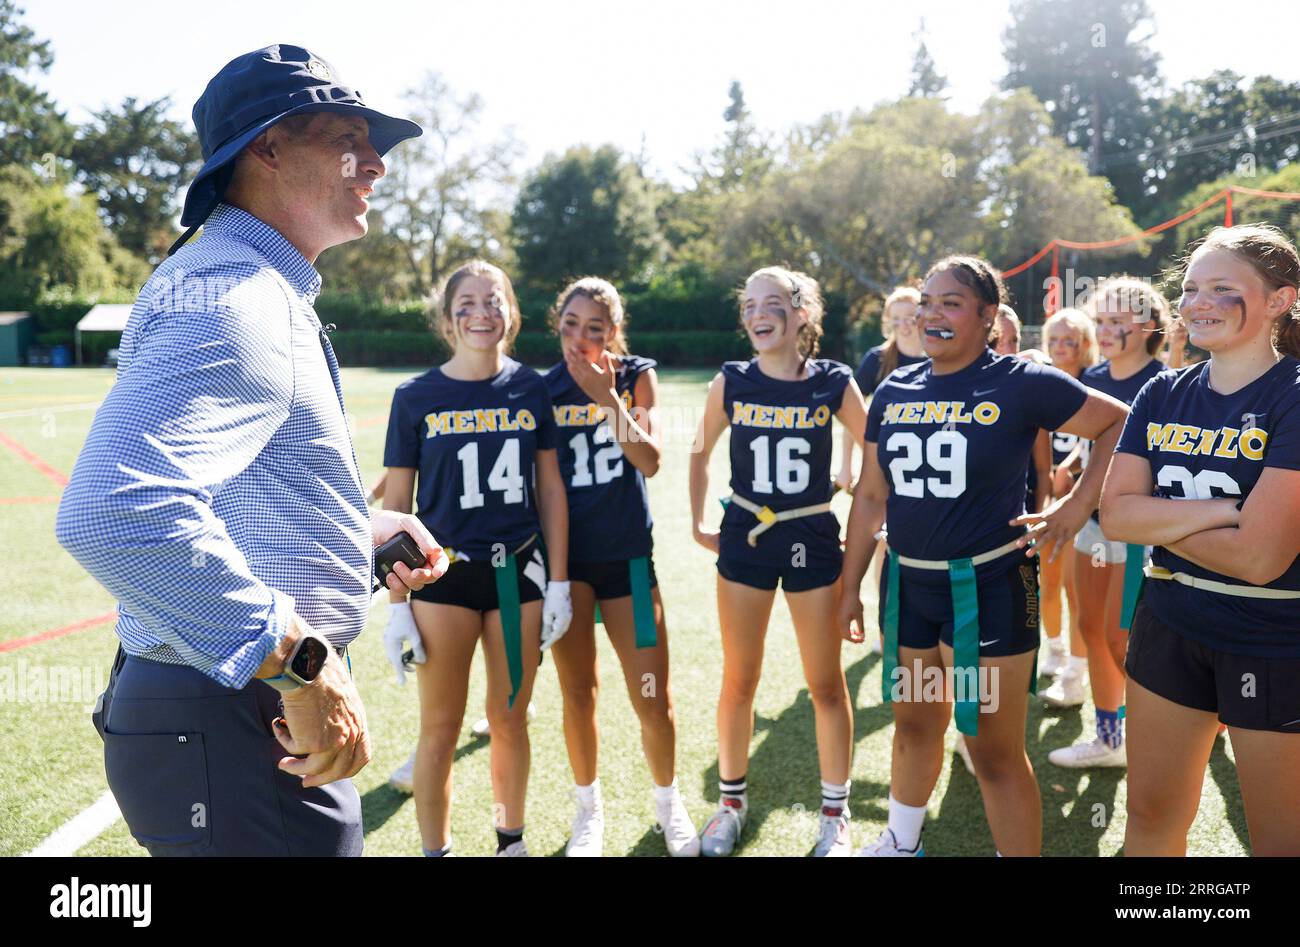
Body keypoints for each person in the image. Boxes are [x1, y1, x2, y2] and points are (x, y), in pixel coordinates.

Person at [56, 45, 444, 856]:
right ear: (266, 147)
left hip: (224, 714)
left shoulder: (234, 277)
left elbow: (217, 490)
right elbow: (113, 510)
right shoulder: (240, 295)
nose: (375, 161)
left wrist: (349, 534)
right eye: (350, 137)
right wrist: (302, 661)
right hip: (236, 717)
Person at [837, 255, 1127, 856]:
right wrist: (849, 589)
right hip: (909, 585)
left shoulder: (1021, 380)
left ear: (988, 316)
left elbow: (1117, 424)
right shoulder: (894, 389)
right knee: (915, 724)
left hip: (989, 588)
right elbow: (869, 496)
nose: (932, 315)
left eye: (950, 303)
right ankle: (901, 841)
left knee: (991, 748)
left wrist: (1073, 512)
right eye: (926, 302)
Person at [1103, 224, 1300, 855]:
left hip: (1273, 637)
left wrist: (1159, 516)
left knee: (1278, 839)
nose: (1199, 303)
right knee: (1151, 816)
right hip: (1169, 620)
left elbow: (1261, 559)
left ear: (1279, 300)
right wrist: (1222, 510)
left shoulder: (1293, 396)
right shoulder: (1161, 391)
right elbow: (1115, 518)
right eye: (1190, 289)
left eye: (1222, 288)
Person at [379, 260, 572, 857]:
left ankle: (509, 843)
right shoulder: (415, 396)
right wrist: (397, 603)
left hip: (517, 575)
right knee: (439, 729)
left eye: (494, 301)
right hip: (444, 576)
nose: (482, 313)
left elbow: (550, 489)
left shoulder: (530, 387)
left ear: (510, 313)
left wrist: (560, 581)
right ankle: (437, 850)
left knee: (510, 719)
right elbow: (396, 503)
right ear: (447, 316)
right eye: (467, 302)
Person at [690, 266, 867, 857]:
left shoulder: (835, 382)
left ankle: (835, 817)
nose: (757, 314)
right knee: (740, 678)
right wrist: (698, 521)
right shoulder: (732, 380)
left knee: (824, 683)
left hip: (813, 535)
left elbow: (879, 450)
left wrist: (865, 499)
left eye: (771, 303)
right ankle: (731, 804)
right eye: (748, 305)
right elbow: (699, 450)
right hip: (747, 534)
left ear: (802, 314)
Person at [543, 277, 699, 857]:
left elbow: (651, 461)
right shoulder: (543, 389)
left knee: (652, 696)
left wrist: (608, 400)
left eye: (595, 329)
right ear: (557, 326)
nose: (580, 340)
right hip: (570, 565)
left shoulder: (634, 376)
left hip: (629, 559)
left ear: (614, 332)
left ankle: (668, 801)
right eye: (570, 327)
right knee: (579, 694)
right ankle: (590, 811)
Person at [1048, 277, 1169, 768]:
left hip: (1138, 528)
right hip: (1093, 522)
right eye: (1101, 321)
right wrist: (1073, 464)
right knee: (1091, 627)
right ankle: (1109, 737)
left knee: (1123, 637)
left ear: (1148, 327)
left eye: (1117, 320)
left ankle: (1159, 734)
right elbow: (1093, 441)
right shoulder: (1092, 378)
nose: (1106, 330)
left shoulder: (1167, 382)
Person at [1037, 308, 1099, 703]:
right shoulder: (1038, 381)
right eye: (1054, 340)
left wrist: (1073, 466)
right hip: (1051, 500)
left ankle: (1076, 672)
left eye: (1070, 341)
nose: (1061, 348)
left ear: (1085, 345)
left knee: (1077, 590)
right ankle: (1056, 648)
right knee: (1048, 582)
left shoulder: (1096, 383)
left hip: (1085, 502)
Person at [838, 286, 927, 490]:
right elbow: (850, 414)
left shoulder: (938, 359)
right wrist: (846, 467)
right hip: (885, 462)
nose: (903, 325)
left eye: (909, 317)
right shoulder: (876, 359)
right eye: (895, 318)